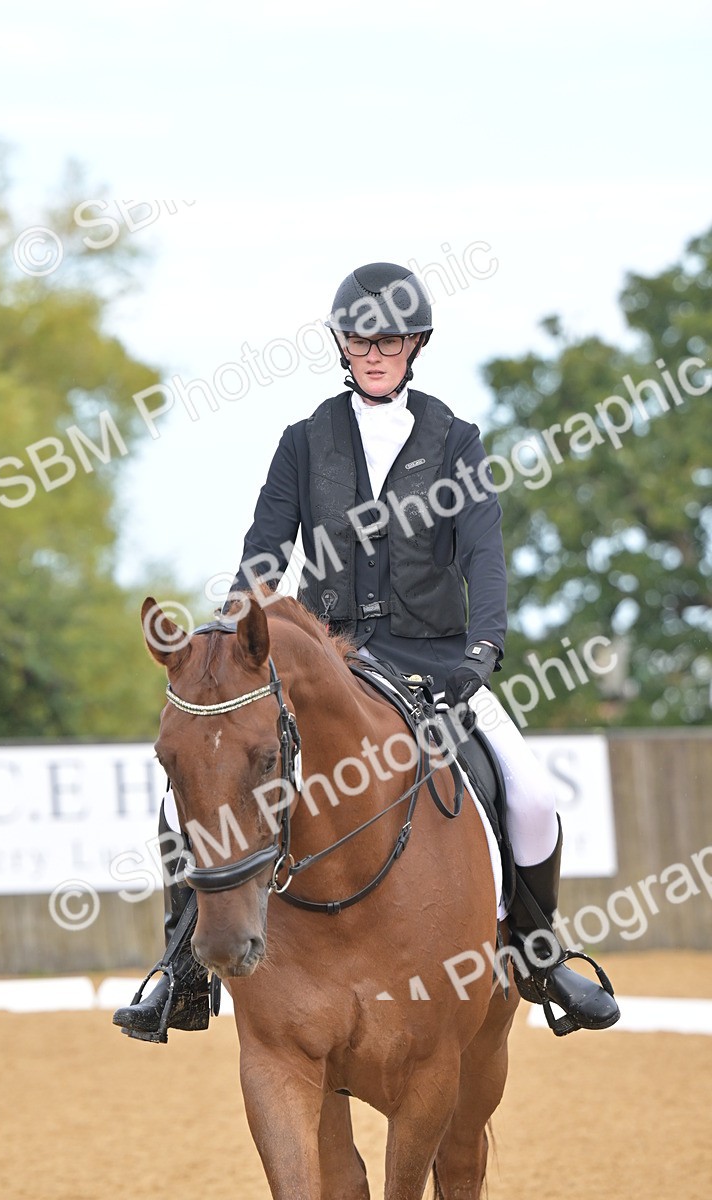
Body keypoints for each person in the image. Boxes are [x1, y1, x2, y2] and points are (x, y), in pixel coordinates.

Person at [114, 262, 620, 1041]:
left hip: (439, 662)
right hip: (331, 663)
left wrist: (483, 652)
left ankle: (541, 954)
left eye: (388, 339)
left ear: (415, 343)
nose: (374, 352)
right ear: (342, 346)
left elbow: (483, 555)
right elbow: (265, 553)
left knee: (530, 794)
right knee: (198, 791)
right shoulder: (304, 442)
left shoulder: (456, 440)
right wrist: (227, 643)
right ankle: (182, 968)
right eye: (359, 339)